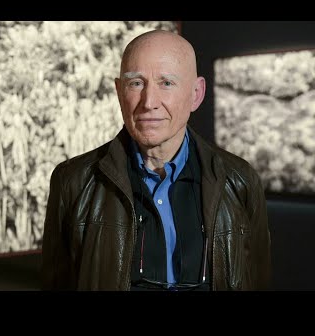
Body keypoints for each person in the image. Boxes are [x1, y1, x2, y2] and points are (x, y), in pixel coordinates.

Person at [41, 30, 271, 291]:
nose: (149, 102)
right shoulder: (73, 182)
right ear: (119, 92)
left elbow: (258, 280)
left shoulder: (240, 180)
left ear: (196, 94)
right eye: (136, 83)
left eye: (166, 83)